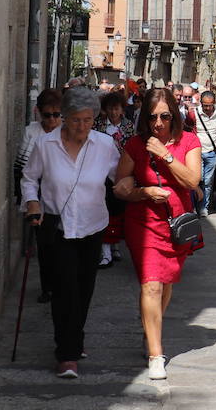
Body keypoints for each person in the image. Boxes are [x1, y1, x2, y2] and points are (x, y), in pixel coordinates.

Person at [21, 87, 121, 379]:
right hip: (57, 227)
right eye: (76, 120)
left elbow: (119, 177)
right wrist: (32, 202)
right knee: (65, 290)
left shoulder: (104, 145)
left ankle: (74, 337)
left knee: (84, 289)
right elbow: (29, 178)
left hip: (93, 225)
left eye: (88, 120)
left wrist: (130, 185)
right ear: (64, 117)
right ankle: (67, 354)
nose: (82, 126)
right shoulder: (45, 144)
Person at [114, 88, 203, 381]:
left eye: (164, 116)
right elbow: (120, 185)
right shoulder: (135, 144)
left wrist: (164, 155)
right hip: (144, 223)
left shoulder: (189, 141)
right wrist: (143, 192)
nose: (158, 123)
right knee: (151, 285)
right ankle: (156, 353)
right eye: (152, 117)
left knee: (165, 284)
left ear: (174, 115)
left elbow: (192, 180)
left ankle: (149, 329)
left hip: (176, 224)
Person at [17, 88, 62, 303]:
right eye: (47, 115)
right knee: (45, 246)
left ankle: (62, 284)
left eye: (56, 114)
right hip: (38, 198)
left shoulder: (67, 132)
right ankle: (48, 288)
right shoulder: (31, 132)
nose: (52, 120)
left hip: (62, 197)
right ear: (39, 112)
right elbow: (21, 167)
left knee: (61, 246)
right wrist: (27, 201)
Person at [95, 91, 135, 267]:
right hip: (101, 172)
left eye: (116, 109)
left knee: (119, 209)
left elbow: (131, 149)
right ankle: (105, 249)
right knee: (105, 208)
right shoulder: (98, 125)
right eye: (110, 109)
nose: (113, 112)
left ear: (122, 109)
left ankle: (115, 244)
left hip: (122, 172)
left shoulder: (128, 126)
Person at [193, 91, 216, 217]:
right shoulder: (194, 113)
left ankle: (204, 207)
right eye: (205, 105)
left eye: (210, 105)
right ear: (201, 103)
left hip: (212, 152)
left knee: (208, 182)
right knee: (196, 180)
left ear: (214, 104)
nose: (207, 108)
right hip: (197, 153)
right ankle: (194, 206)